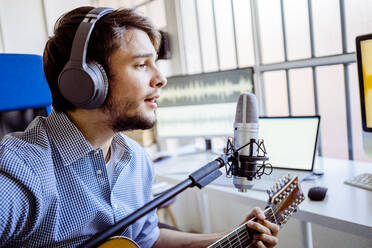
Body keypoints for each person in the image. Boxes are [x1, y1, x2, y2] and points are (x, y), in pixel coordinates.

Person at [0, 6, 279, 248]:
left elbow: (147, 241)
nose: (161, 79)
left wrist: (230, 238)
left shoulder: (137, 160)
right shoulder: (22, 172)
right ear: (86, 82)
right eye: (142, 64)